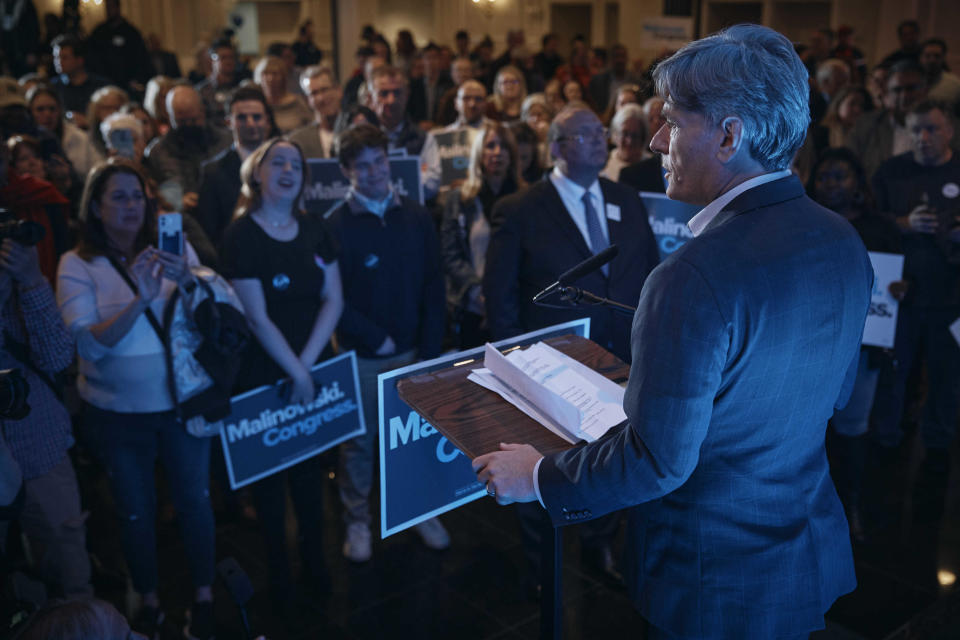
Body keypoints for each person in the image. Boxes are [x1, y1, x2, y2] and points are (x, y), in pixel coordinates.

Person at [474, 25, 873, 639]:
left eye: (673, 122)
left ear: (730, 136)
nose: (655, 139)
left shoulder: (691, 275)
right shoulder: (841, 238)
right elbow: (834, 393)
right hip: (802, 555)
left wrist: (537, 475)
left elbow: (656, 462)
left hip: (710, 579)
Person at [482, 104, 659, 589]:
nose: (600, 139)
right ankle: (543, 566)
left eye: (600, 132)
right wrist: (510, 370)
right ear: (557, 148)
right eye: (584, 134)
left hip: (620, 360)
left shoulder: (626, 197)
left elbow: (644, 275)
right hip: (550, 370)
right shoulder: (520, 209)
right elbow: (500, 299)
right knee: (545, 467)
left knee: (612, 456)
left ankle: (599, 543)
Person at [56, 160, 215, 639]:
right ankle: (147, 599)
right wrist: (141, 299)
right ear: (97, 209)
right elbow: (84, 344)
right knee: (133, 510)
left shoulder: (171, 245)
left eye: (137, 196)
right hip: (118, 414)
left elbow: (208, 315)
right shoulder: (77, 263)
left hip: (181, 403)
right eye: (118, 197)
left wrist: (187, 279)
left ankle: (205, 596)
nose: (131, 205)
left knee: (195, 500)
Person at [219, 137, 343, 611]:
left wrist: (306, 368)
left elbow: (334, 299)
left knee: (312, 478)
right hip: (262, 378)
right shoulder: (240, 235)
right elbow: (256, 317)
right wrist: (296, 371)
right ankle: (280, 581)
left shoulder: (316, 229)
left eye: (297, 164)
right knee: (271, 491)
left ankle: (316, 566)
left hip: (308, 371)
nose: (289, 170)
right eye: (279, 162)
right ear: (257, 173)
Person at [326, 123, 448, 563]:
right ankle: (357, 519)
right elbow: (331, 300)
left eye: (379, 162)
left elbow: (435, 285)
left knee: (413, 439)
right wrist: (374, 337)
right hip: (361, 357)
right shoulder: (336, 225)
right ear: (345, 170)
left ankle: (417, 510)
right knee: (359, 443)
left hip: (416, 353)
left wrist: (431, 349)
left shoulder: (416, 216)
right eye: (363, 166)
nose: (374, 172)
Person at [0, 142, 91, 600]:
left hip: (36, 439)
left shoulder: (17, 235)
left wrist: (31, 281)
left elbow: (58, 357)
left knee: (70, 571)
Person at [869, 101, 960, 542]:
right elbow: (868, 221)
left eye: (932, 129)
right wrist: (903, 223)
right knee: (894, 375)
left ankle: (939, 449)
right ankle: (888, 442)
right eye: (916, 130)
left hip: (952, 301)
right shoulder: (891, 172)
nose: (924, 137)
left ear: (950, 131)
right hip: (899, 297)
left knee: (947, 378)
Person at [807, 147, 904, 541]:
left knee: (852, 428)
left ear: (858, 183)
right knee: (811, 432)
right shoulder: (802, 222)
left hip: (863, 348)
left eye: (841, 176)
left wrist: (901, 289)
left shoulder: (880, 227)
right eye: (825, 175)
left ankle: (850, 507)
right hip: (811, 344)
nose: (832, 183)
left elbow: (897, 281)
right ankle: (812, 510)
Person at [441, 121, 524, 348]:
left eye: (504, 146)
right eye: (491, 146)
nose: (497, 152)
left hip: (515, 308)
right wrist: (479, 293)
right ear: (479, 153)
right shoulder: (459, 200)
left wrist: (501, 298)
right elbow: (451, 254)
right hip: (472, 306)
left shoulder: (526, 199)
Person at [197, 85, 275, 247]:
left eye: (256, 116)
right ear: (229, 122)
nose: (250, 123)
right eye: (241, 118)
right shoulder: (212, 173)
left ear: (267, 120)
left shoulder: (283, 166)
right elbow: (209, 233)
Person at [143, 85, 232, 214]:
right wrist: (176, 201)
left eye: (193, 120)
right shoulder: (157, 152)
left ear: (202, 111)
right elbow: (153, 193)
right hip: (183, 217)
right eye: (182, 122)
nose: (189, 126)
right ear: (170, 117)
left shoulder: (226, 141)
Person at [846, 59, 928, 180]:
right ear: (888, 92)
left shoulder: (948, 127)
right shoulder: (866, 125)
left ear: (925, 90)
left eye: (911, 88)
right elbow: (849, 166)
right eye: (897, 90)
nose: (904, 95)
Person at [368, 65, 440, 199]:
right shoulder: (361, 140)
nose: (391, 100)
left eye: (397, 93)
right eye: (383, 93)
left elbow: (432, 184)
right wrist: (413, 175)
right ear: (370, 98)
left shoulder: (424, 138)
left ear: (407, 95)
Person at [28, 84, 103, 178]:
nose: (47, 114)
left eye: (52, 109)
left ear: (60, 111)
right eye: (40, 109)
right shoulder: (24, 141)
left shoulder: (79, 137)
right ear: (30, 112)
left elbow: (97, 171)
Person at [85, 0, 154, 95]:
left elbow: (141, 58)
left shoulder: (131, 33)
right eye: (107, 7)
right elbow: (91, 59)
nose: (109, 10)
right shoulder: (99, 32)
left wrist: (137, 79)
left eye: (111, 7)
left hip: (128, 85)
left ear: (118, 7)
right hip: (103, 85)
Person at [49, 35, 109, 129]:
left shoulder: (101, 88)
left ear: (79, 60)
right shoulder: (51, 87)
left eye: (64, 57)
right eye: (56, 57)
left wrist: (88, 121)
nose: (58, 62)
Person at [289, 66, 342, 159]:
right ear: (307, 100)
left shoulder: (358, 132)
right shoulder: (298, 141)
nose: (321, 98)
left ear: (338, 90)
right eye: (314, 93)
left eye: (325, 90)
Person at [255, 56, 312, 135]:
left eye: (274, 74)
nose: (270, 78)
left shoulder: (297, 102)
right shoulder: (256, 103)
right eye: (265, 73)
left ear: (283, 76)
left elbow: (311, 126)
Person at [195, 39, 242, 127]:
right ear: (212, 60)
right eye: (223, 57)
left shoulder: (241, 88)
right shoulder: (202, 91)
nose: (228, 61)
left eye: (231, 57)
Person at [601, 103, 647, 181]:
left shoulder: (653, 165)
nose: (629, 141)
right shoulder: (603, 166)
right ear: (615, 134)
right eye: (625, 134)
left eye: (635, 135)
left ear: (643, 137)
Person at [85, 85, 128, 158]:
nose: (113, 112)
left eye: (117, 108)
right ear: (97, 111)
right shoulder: (88, 138)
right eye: (107, 108)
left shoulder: (132, 134)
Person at [920, 38, 960, 115]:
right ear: (921, 57)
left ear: (943, 57)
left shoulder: (955, 84)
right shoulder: (910, 84)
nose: (932, 60)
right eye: (927, 56)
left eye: (937, 56)